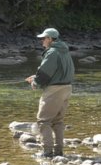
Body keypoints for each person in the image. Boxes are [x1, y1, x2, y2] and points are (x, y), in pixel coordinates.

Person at [25, 28, 74, 158]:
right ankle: (59, 151)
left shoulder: (52, 52)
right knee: (58, 121)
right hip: (67, 88)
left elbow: (45, 72)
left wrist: (35, 83)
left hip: (54, 90)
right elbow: (57, 71)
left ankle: (47, 152)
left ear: (50, 39)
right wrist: (36, 77)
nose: (42, 41)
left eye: (43, 38)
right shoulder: (64, 51)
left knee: (43, 121)